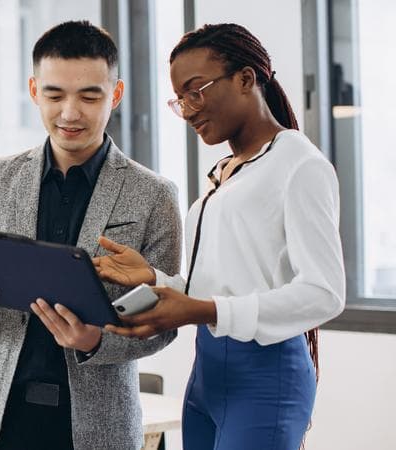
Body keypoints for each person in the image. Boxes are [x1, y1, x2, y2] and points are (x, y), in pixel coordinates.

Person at [93, 23, 345, 450]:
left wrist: (203, 309)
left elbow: (324, 293)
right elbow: (222, 286)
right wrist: (154, 279)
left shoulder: (300, 165)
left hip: (266, 378)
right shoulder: (224, 173)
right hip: (208, 373)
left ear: (246, 79)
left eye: (197, 91)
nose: (188, 110)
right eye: (179, 99)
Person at [0, 21, 182, 450]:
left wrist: (95, 340)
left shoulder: (154, 195)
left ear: (115, 94)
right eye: (54, 95)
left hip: (95, 425)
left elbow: (164, 321)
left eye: (90, 95)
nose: (70, 112)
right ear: (34, 91)